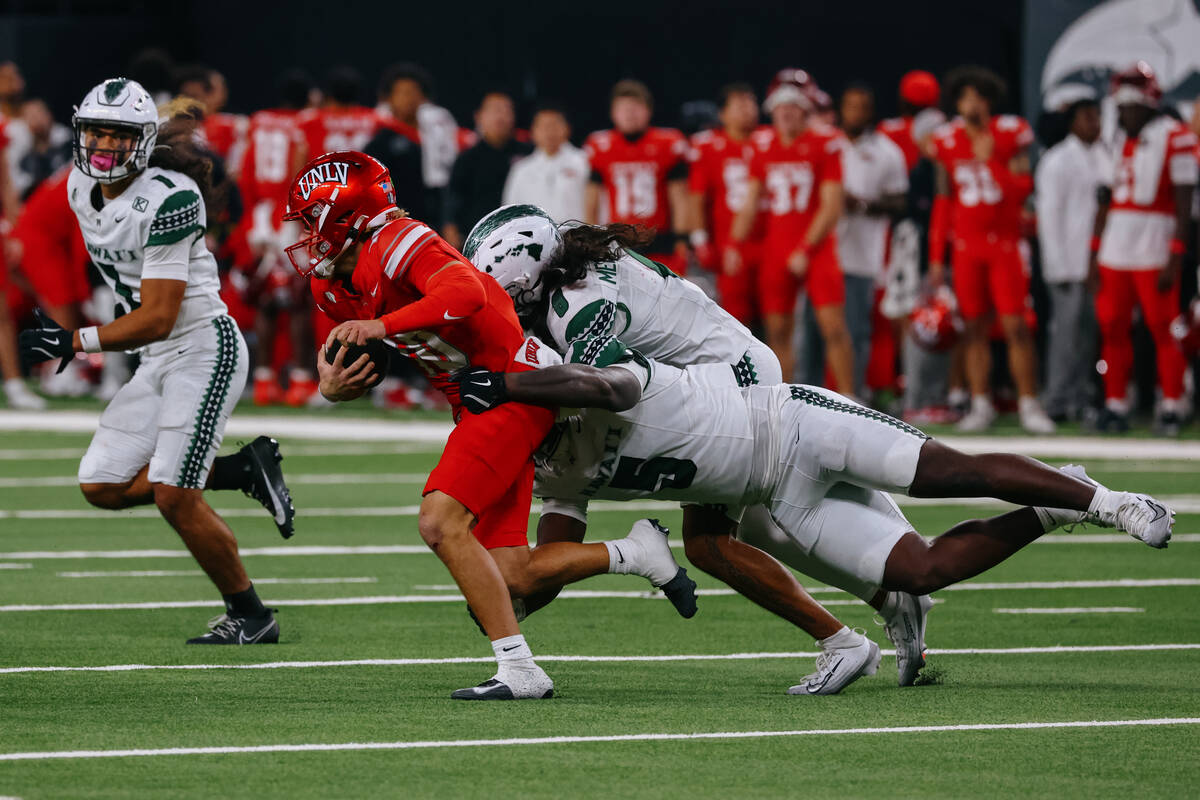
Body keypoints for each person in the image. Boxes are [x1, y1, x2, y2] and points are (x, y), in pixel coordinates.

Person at [448, 333, 1176, 694]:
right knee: (922, 570)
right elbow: (536, 579)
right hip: (773, 491)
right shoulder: (556, 479)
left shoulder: (592, 373)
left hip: (795, 423)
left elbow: (607, 385)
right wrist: (499, 597)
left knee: (948, 472)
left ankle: (1111, 502)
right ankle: (1056, 507)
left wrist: (510, 381)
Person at [463, 205, 930, 690]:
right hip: (714, 370)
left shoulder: (577, 304)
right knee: (756, 525)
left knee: (716, 540)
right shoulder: (570, 264)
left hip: (728, 384)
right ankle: (882, 604)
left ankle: (857, 627)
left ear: (527, 280)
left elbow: (593, 390)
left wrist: (512, 395)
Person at [286, 151, 695, 700]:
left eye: (312, 220)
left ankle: (519, 668)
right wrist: (333, 385)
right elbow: (371, 351)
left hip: (509, 384)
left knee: (439, 519)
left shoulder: (399, 239)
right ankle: (636, 552)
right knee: (513, 573)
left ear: (347, 216)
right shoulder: (330, 285)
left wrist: (379, 323)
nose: (305, 236)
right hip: (475, 401)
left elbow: (467, 292)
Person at [17, 78, 297, 643]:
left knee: (174, 494)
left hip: (202, 348)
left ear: (142, 142)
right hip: (154, 357)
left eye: (118, 135)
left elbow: (160, 316)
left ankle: (250, 613)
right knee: (100, 483)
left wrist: (76, 340)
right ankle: (243, 470)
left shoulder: (171, 197)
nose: (103, 145)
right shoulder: (77, 186)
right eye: (95, 130)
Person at [929, 66, 1055, 434]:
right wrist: (937, 255)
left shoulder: (1009, 134)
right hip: (967, 247)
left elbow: (1022, 191)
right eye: (966, 97)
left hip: (1005, 245)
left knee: (1016, 326)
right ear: (957, 102)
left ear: (989, 101)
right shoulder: (947, 140)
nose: (972, 104)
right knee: (972, 329)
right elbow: (943, 201)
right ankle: (980, 402)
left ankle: (1029, 403)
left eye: (979, 97)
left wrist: (991, 161)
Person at [726, 74, 851, 389]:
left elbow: (831, 206)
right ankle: (784, 399)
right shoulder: (763, 144)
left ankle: (850, 395)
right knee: (777, 330)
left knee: (833, 327)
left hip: (817, 247)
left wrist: (806, 249)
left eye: (794, 106)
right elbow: (751, 201)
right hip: (777, 246)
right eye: (780, 107)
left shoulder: (826, 142)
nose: (786, 113)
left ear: (805, 109)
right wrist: (734, 243)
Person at [1091, 63, 1196, 436]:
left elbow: (1185, 200)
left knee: (1163, 329)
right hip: (1116, 245)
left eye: (1128, 108)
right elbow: (1103, 198)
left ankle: (1171, 404)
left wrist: (1177, 250)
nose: (1121, 114)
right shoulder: (1113, 139)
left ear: (1148, 105)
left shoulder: (1176, 135)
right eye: (1118, 108)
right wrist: (1094, 250)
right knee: (1112, 328)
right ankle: (1116, 403)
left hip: (1154, 242)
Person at [234, 70, 315, 407]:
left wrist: (254, 216)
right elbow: (304, 167)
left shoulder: (260, 121)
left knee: (266, 299)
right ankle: (299, 380)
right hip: (290, 216)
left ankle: (265, 380)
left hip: (262, 215)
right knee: (298, 302)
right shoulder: (307, 123)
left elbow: (243, 171)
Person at [832, 84, 908, 399]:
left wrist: (861, 204)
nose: (856, 113)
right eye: (851, 106)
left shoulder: (886, 151)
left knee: (856, 328)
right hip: (822, 250)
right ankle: (808, 392)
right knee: (812, 330)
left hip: (863, 251)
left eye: (862, 107)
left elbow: (900, 201)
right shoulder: (828, 144)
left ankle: (855, 394)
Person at [1035, 95, 1105, 423]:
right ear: (1073, 122)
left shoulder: (1105, 156)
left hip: (1099, 263)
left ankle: (1079, 397)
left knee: (1088, 336)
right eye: (1088, 117)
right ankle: (1057, 400)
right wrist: (1057, 266)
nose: (1095, 123)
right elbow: (1048, 217)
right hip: (1067, 264)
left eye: (1097, 117)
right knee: (1065, 334)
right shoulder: (1056, 159)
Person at [584, 80, 690, 272]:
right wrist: (593, 238)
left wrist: (682, 237)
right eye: (623, 109)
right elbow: (592, 200)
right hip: (619, 241)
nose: (629, 114)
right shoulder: (600, 146)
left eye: (635, 108)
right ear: (613, 113)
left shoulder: (667, 143)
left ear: (648, 110)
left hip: (660, 239)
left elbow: (679, 197)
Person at [687, 82, 765, 326]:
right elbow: (697, 196)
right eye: (739, 104)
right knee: (737, 320)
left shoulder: (770, 139)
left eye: (750, 103)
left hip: (771, 240)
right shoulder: (708, 145)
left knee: (778, 319)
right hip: (729, 244)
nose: (747, 109)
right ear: (722, 113)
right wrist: (700, 240)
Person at [443, 91, 531, 250]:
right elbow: (453, 197)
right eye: (495, 110)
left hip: (522, 236)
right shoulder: (467, 158)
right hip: (478, 238)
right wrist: (450, 228)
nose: (501, 116)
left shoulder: (528, 154)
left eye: (506, 110)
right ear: (479, 116)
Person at [501, 104, 588, 223]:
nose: (549, 131)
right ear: (533, 131)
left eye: (554, 125)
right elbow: (510, 211)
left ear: (567, 128)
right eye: (543, 126)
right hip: (535, 238)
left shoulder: (584, 162)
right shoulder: (521, 169)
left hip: (578, 236)